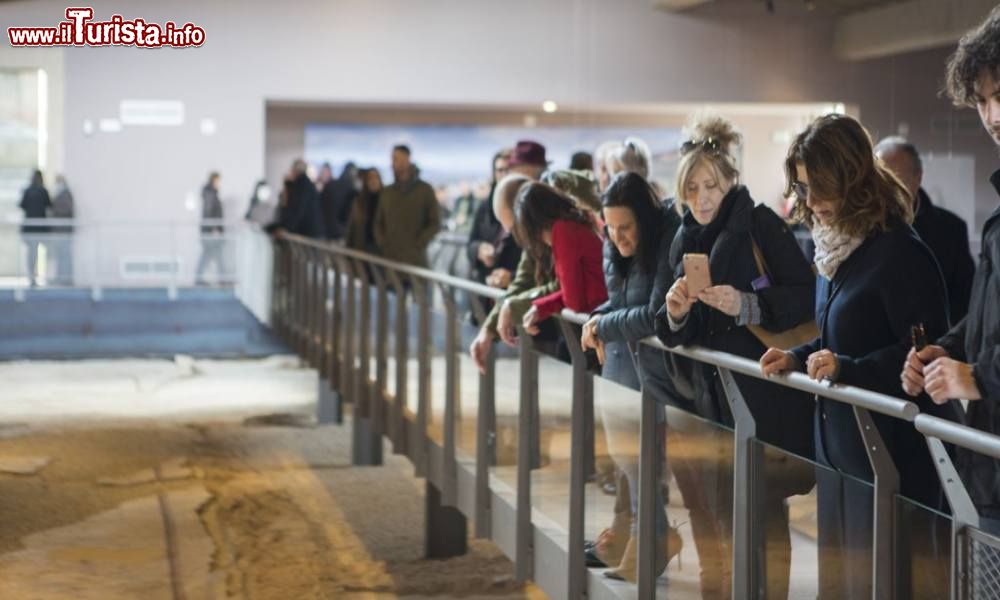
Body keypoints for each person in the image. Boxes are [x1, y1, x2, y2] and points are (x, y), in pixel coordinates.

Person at [761, 114, 959, 599]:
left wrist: (848, 369)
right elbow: (843, 336)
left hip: (893, 462)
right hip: (845, 456)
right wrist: (797, 356)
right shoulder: (836, 251)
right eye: (803, 189)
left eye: (820, 188)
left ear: (850, 180)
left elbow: (923, 354)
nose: (811, 203)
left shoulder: (899, 253)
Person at [657, 114, 816, 599]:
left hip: (761, 394)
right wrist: (676, 312)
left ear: (730, 182)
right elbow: (669, 329)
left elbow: (808, 295)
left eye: (711, 185)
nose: (702, 198)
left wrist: (747, 303)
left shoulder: (761, 223)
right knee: (719, 511)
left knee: (762, 512)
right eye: (692, 189)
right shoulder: (685, 236)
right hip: (710, 403)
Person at [901, 6, 1000, 533]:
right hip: (987, 466)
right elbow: (988, 314)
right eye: (983, 100)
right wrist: (951, 349)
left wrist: (979, 376)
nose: (992, 116)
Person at [579, 171, 683, 582]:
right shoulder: (614, 246)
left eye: (627, 228)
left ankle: (650, 541)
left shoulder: (665, 240)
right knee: (625, 460)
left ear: (645, 219)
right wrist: (599, 316)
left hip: (656, 373)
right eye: (611, 228)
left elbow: (655, 314)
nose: (618, 237)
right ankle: (648, 539)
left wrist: (603, 325)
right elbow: (621, 302)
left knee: (643, 464)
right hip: (623, 366)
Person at [875, 136, 976, 323]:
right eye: (881, 180)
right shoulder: (864, 228)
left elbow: (965, 299)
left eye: (897, 179)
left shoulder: (950, 229)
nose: (888, 189)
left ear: (918, 177)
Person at [515, 182, 606, 331]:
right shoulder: (580, 218)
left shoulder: (563, 230)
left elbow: (574, 302)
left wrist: (543, 307)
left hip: (601, 321)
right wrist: (541, 307)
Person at [373, 145, 441, 268]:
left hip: (416, 261)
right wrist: (384, 244)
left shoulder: (424, 190)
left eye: (395, 159)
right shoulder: (387, 193)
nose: (392, 163)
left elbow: (435, 222)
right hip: (391, 261)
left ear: (406, 159)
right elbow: (378, 222)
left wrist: (418, 244)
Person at [467, 149, 520, 297]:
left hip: (515, 292)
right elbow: (471, 242)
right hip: (486, 288)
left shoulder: (527, 206)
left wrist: (513, 276)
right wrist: (479, 250)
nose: (504, 174)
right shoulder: (485, 206)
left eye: (508, 169)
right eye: (500, 170)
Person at [269, 159, 326, 239]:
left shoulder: (302, 185)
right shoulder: (304, 184)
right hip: (311, 232)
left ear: (295, 170)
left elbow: (297, 210)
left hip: (309, 234)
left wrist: (286, 228)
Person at [19, 169, 51, 287]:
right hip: (39, 228)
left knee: (31, 254)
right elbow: (49, 205)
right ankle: (33, 276)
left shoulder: (28, 191)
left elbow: (22, 205)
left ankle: (31, 276)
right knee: (35, 253)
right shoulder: (43, 191)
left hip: (30, 228)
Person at [195, 171, 225, 285]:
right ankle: (222, 278)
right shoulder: (210, 194)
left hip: (210, 230)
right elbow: (209, 212)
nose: (219, 183)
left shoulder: (211, 193)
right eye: (218, 180)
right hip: (210, 231)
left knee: (212, 254)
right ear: (214, 180)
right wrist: (214, 228)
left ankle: (222, 278)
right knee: (213, 254)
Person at [346, 167, 384, 255]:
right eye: (370, 178)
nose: (373, 181)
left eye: (376, 177)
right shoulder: (359, 202)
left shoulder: (386, 200)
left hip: (380, 249)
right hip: (362, 247)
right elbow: (352, 227)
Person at [320, 162, 359, 241]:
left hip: (326, 230)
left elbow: (320, 206)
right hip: (342, 233)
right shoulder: (352, 190)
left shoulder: (330, 184)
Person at [50, 174, 74, 285]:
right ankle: (60, 277)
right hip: (59, 231)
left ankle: (66, 278)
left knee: (65, 255)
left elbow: (66, 210)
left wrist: (55, 210)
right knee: (60, 256)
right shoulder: (60, 194)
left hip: (64, 231)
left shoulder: (66, 194)